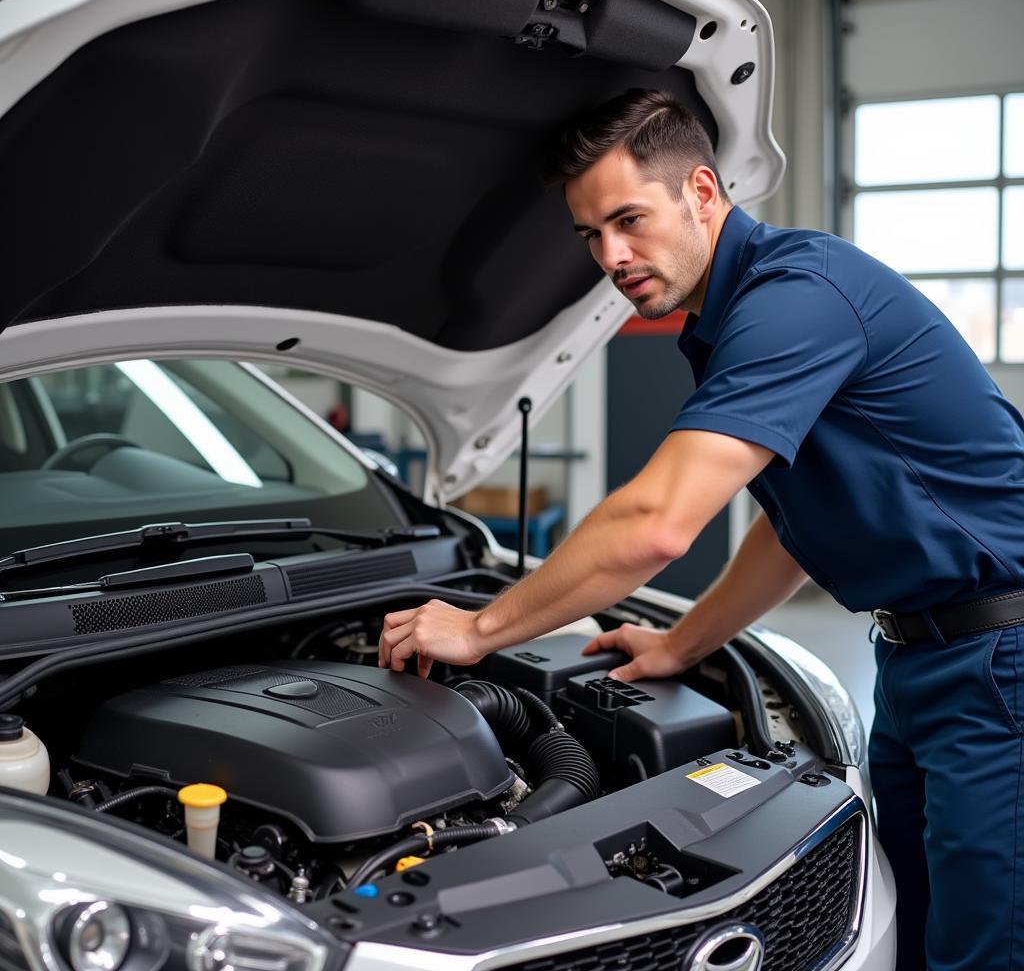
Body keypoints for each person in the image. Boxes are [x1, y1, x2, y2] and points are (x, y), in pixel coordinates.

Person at [378, 88, 1024, 971]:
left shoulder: (798, 297)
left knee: (987, 945)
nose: (612, 256)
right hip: (921, 663)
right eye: (589, 235)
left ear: (705, 192)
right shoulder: (727, 322)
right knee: (911, 922)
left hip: (1001, 661)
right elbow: (798, 523)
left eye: (630, 220)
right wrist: (686, 643)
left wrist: (480, 628)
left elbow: (654, 524)